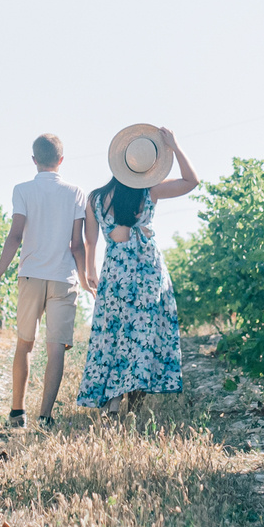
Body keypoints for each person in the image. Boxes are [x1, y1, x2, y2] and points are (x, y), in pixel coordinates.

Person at [75, 125, 198, 416]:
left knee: (114, 333)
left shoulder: (95, 198)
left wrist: (90, 272)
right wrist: (176, 146)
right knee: (142, 336)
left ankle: (113, 400)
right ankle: (133, 408)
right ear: (148, 169)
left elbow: (89, 241)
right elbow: (191, 181)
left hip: (116, 271)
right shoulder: (150, 190)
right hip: (147, 273)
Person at [0, 133, 89, 430]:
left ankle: (17, 413)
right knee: (56, 347)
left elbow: (15, 235)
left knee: (25, 343)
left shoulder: (22, 190)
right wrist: (84, 280)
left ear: (34, 160)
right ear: (61, 160)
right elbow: (77, 244)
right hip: (62, 278)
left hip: (30, 275)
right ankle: (45, 417)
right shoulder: (75, 192)